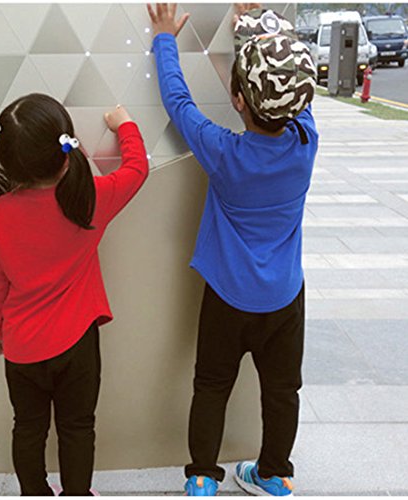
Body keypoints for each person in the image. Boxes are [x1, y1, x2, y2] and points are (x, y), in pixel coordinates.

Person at [147, 3, 318, 496]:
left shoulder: (224, 153)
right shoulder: (305, 142)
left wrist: (164, 38)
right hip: (284, 299)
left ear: (237, 100)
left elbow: (178, 101)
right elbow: (293, 84)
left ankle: (202, 476)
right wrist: (258, 23)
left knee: (211, 385)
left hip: (227, 297)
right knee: (283, 391)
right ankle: (274, 473)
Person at [0, 93, 148, 496]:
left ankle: (34, 492)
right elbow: (137, 169)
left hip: (21, 347)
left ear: (6, 160)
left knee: (27, 428)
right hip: (77, 344)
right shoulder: (90, 200)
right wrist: (124, 124)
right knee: (78, 427)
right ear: (65, 153)